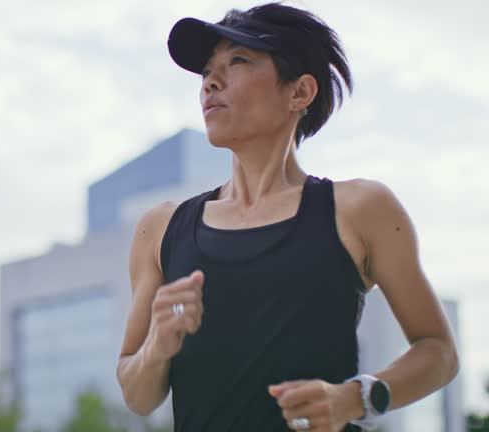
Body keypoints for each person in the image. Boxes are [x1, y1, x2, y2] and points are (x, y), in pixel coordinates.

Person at [115, 3, 459, 432]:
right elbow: (138, 395)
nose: (210, 83)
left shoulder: (361, 209)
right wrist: (157, 348)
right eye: (206, 71)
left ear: (299, 93)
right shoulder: (160, 228)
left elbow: (439, 351)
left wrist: (353, 398)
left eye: (237, 61)